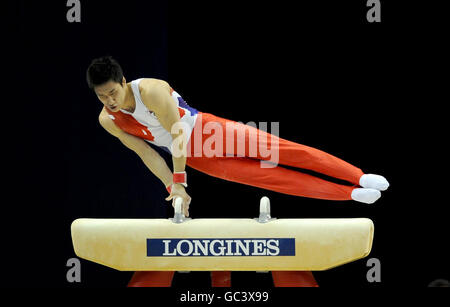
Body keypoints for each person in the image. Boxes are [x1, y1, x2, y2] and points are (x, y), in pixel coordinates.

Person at [86, 56, 389, 287]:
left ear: (123, 81)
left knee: (287, 152)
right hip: (198, 159)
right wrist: (171, 187)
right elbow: (146, 152)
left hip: (213, 131)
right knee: (274, 179)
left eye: (112, 92)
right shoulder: (108, 121)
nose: (110, 101)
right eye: (102, 96)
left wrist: (179, 181)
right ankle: (351, 193)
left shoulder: (149, 90)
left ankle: (357, 175)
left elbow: (177, 132)